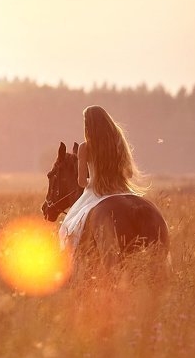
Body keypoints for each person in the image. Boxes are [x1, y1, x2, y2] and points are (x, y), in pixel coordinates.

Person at [59, 105, 146, 251]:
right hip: (122, 189)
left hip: (95, 193)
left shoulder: (85, 148)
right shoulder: (119, 143)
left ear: (88, 125)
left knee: (67, 229)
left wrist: (93, 180)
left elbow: (81, 182)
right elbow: (129, 174)